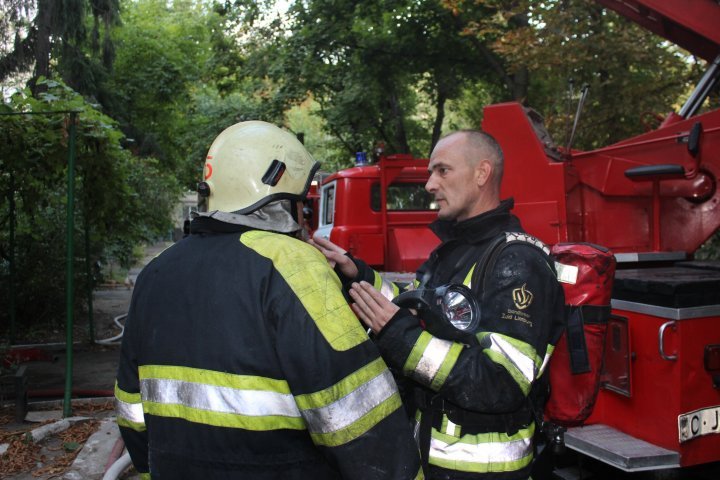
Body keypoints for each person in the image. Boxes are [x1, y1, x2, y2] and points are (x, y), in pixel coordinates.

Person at [114, 121, 422, 479]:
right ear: (280, 195)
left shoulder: (155, 272)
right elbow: (356, 412)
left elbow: (131, 411)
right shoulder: (290, 262)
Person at [313, 130, 566, 480]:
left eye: (442, 171)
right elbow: (412, 310)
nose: (430, 184)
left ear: (482, 173)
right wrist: (357, 274)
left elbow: (502, 384)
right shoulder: (454, 250)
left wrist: (401, 337)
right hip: (430, 462)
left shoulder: (517, 262)